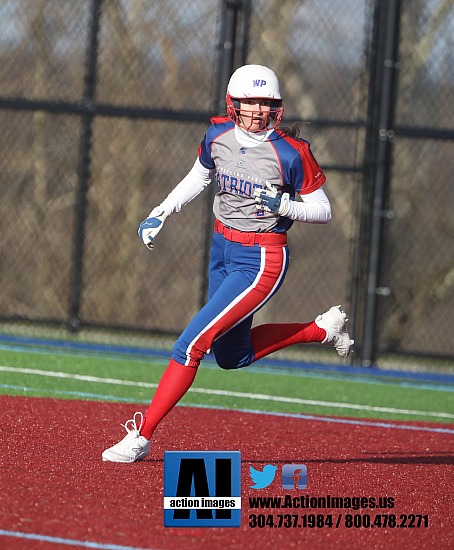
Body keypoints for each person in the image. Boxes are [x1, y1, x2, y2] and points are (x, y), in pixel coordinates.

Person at [102, 64, 353, 463]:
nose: (257, 109)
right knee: (232, 356)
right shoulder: (217, 134)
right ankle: (320, 330)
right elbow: (198, 177)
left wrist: (285, 205)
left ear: (278, 108)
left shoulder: (290, 152)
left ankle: (142, 435)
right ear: (233, 104)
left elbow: (323, 210)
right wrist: (160, 212)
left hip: (261, 258)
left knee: (190, 346)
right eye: (250, 101)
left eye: (265, 103)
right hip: (223, 248)